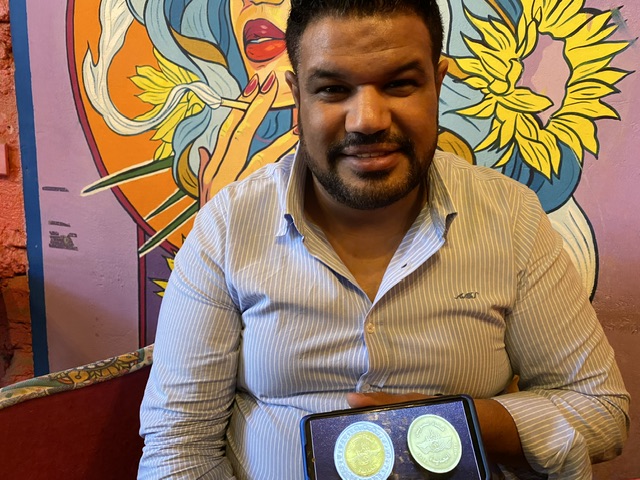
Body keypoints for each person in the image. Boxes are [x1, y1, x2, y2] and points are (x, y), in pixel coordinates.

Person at [137, 0, 630, 478]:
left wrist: (455, 424)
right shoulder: (227, 226)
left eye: (399, 84)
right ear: (297, 96)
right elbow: (177, 447)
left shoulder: (510, 216)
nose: (367, 119)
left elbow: (601, 410)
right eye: (333, 89)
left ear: (437, 83)